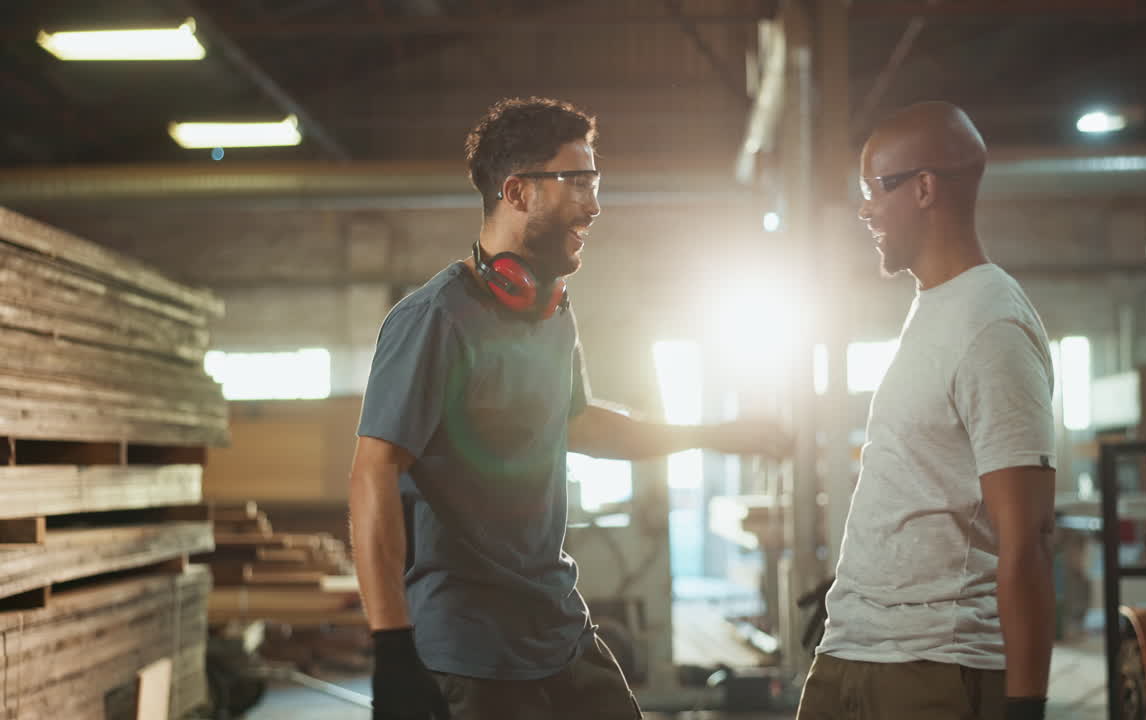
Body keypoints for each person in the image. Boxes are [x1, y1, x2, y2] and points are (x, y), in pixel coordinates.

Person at [349, 96, 785, 720]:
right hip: (470, 653)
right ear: (518, 192)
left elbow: (578, 423)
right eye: (576, 182)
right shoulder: (434, 320)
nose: (595, 203)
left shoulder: (550, 311)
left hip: (559, 630)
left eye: (595, 182)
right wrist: (391, 647)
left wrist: (716, 434)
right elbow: (374, 470)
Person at [796, 102, 1056, 720]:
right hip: (854, 651)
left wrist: (1025, 708)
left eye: (872, 190)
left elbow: (1028, 538)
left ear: (924, 188)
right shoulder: (934, 305)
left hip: (934, 669)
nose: (863, 209)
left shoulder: (991, 322)